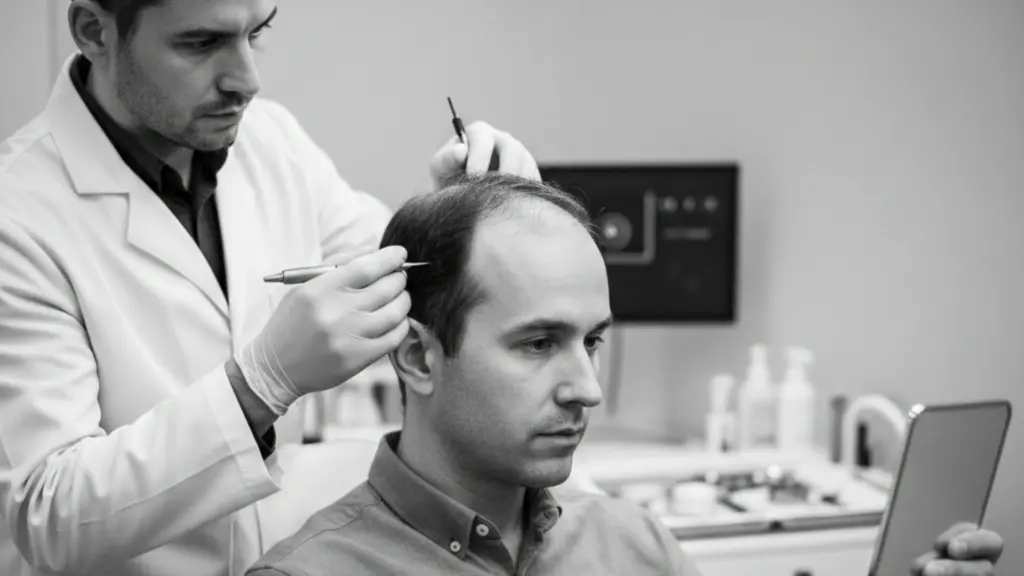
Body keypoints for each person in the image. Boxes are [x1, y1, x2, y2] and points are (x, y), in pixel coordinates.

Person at [0, 1, 540, 575]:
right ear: (93, 31)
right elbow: (46, 516)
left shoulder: (270, 141)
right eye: (201, 43)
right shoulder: (18, 216)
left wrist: (455, 215)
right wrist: (258, 385)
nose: (247, 81)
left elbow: (389, 267)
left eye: (255, 34)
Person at [244, 173, 1006, 576]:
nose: (588, 388)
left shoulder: (637, 547)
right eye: (539, 343)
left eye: (593, 341)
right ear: (416, 356)